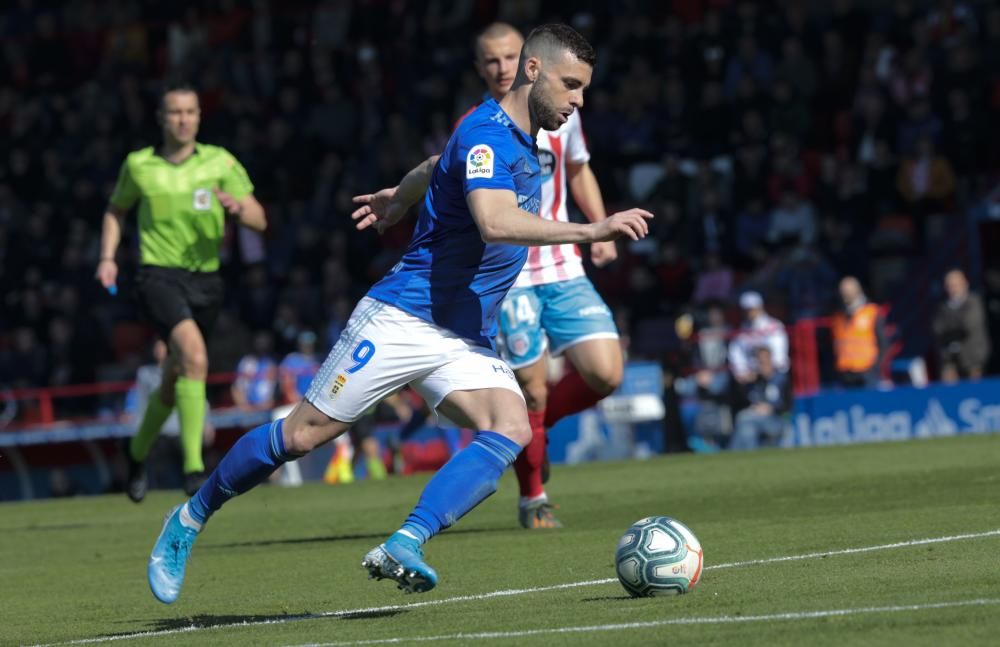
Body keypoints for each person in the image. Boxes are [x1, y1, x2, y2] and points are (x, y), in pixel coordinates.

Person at [147, 24, 652, 605]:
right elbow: (494, 220)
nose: (578, 102)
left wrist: (402, 195)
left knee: (510, 426)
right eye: (571, 86)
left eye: (584, 90)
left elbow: (440, 162)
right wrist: (590, 228)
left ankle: (404, 543)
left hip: (462, 335)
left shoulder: (515, 140)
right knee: (304, 435)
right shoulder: (490, 134)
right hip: (402, 317)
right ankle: (188, 518)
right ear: (533, 72)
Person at [353, 22, 623, 530]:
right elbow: (448, 177)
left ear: (530, 60)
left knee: (606, 372)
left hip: (562, 263)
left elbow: (579, 168)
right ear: (481, 68)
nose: (502, 67)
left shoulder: (562, 107)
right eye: (491, 61)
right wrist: (404, 196)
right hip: (512, 270)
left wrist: (599, 224)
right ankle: (533, 495)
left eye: (508, 57)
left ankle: (537, 434)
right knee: (533, 391)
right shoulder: (476, 125)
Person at [96, 83, 266, 501]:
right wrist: (107, 257)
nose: (183, 119)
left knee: (175, 378)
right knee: (194, 355)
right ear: (161, 118)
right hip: (156, 276)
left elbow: (260, 220)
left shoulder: (219, 162)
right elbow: (116, 210)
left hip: (206, 281)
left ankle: (134, 452)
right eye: (175, 112)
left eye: (190, 111)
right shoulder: (139, 165)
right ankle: (194, 469)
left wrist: (240, 210)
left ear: (199, 117)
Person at [932, 269, 991, 382]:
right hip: (949, 357)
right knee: (949, 387)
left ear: (965, 284)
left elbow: (968, 325)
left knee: (974, 391)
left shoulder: (973, 302)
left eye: (955, 285)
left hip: (972, 357)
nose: (952, 289)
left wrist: (950, 331)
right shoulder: (943, 307)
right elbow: (937, 328)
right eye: (949, 286)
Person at [728, 346, 791, 450]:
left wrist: (770, 408)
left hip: (775, 419)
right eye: (760, 361)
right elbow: (739, 402)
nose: (762, 364)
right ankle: (750, 459)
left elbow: (788, 405)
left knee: (743, 417)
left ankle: (730, 453)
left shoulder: (781, 379)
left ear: (771, 359)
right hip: (754, 420)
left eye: (764, 360)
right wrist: (742, 384)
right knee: (747, 430)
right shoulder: (754, 381)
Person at [831, 276, 886, 388]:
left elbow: (883, 342)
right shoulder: (838, 316)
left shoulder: (871, 312)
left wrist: (875, 366)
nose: (846, 294)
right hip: (845, 371)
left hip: (867, 371)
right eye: (843, 291)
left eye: (849, 291)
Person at [728, 291, 789, 384]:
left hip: (774, 372)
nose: (749, 312)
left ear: (760, 307)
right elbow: (736, 354)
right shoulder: (741, 331)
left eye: (752, 309)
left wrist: (764, 370)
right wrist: (742, 372)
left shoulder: (774, 325)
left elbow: (779, 355)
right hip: (750, 374)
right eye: (746, 310)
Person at [231, 331, 278, 411]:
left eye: (265, 342)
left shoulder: (272, 363)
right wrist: (245, 407)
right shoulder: (246, 362)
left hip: (267, 409)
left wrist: (267, 405)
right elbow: (236, 388)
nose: (262, 344)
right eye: (260, 342)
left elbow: (276, 390)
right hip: (246, 409)